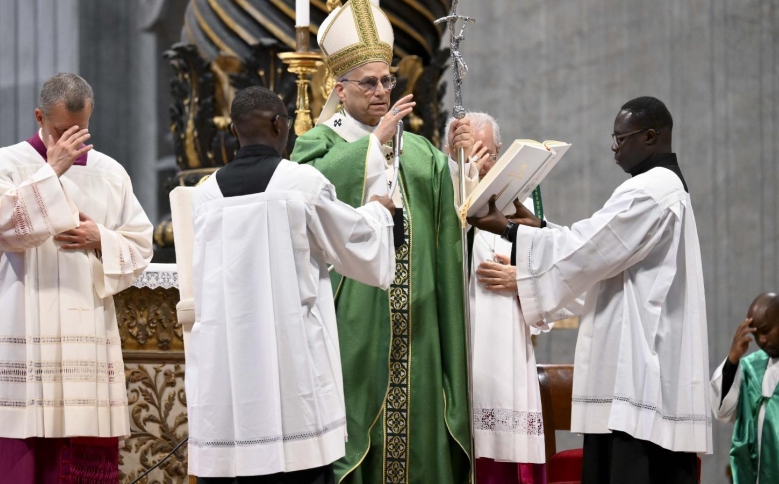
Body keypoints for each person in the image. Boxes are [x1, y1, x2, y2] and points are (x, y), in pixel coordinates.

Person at [468, 96, 711, 484]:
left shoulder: (651, 190)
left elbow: (591, 251)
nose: (614, 149)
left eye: (621, 139)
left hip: (635, 376)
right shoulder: (662, 188)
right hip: (640, 371)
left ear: (650, 137)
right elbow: (599, 251)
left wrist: (511, 230)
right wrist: (540, 231)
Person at [290, 1, 474, 482]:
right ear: (338, 88)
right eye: (367, 83)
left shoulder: (420, 154)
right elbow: (303, 197)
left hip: (419, 325)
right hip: (353, 326)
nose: (380, 91)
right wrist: (373, 148)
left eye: (387, 81)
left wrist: (460, 164)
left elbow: (452, 226)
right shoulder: (318, 146)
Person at [186, 86, 397, 484]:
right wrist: (379, 212)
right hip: (291, 360)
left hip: (228, 366)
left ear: (234, 131)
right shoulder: (300, 184)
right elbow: (352, 241)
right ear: (281, 125)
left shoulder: (206, 195)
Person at [0, 73, 154, 483]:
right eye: (60, 129)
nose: (72, 139)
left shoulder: (111, 172)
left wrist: (101, 239)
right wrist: (50, 172)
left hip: (84, 323)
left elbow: (141, 245)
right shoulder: (3, 164)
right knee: (23, 436)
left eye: (81, 128)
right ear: (39, 116)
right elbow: (4, 226)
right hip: (25, 314)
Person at [445, 113, 580, 484]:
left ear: (503, 153)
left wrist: (522, 279)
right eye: (468, 155)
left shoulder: (525, 207)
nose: (480, 164)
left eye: (486, 153)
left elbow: (566, 279)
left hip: (510, 356)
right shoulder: (444, 201)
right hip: (460, 349)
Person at [711, 293, 779, 483]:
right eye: (756, 334)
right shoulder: (750, 368)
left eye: (766, 331)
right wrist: (733, 360)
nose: (762, 340)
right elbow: (722, 411)